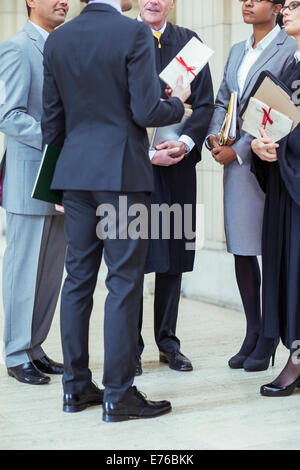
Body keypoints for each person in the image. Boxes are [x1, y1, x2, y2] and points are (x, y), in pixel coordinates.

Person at [42, 0, 191, 421]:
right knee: (124, 281)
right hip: (122, 175)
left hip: (74, 175)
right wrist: (177, 103)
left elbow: (52, 123)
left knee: (78, 281)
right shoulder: (133, 32)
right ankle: (119, 394)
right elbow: (145, 111)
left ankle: (75, 389)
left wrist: (58, 180)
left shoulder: (60, 38)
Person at [206, 0, 296, 372]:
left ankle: (270, 335)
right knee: (242, 250)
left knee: (272, 250)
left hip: (270, 161)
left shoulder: (290, 46)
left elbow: (281, 109)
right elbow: (225, 100)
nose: (246, 3)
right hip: (235, 164)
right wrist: (215, 138)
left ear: (276, 8)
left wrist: (240, 149)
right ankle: (253, 330)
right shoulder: (236, 50)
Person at [136, 0, 214, 376]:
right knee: (131, 260)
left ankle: (168, 342)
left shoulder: (189, 43)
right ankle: (129, 347)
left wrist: (184, 144)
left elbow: (204, 105)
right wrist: (144, 151)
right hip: (133, 169)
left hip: (179, 166)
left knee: (173, 259)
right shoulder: (123, 39)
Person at [0, 0, 69, 385]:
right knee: (24, 270)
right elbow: (8, 114)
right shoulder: (16, 47)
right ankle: (15, 352)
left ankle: (35, 347)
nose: (63, 1)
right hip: (30, 177)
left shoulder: (62, 46)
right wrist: (58, 140)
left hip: (62, 176)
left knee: (49, 272)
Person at [251, 0, 300, 397]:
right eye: (286, 4)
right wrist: (262, 147)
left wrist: (280, 147)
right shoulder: (288, 65)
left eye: (297, 4)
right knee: (286, 270)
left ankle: (297, 360)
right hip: (287, 183)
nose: (287, 9)